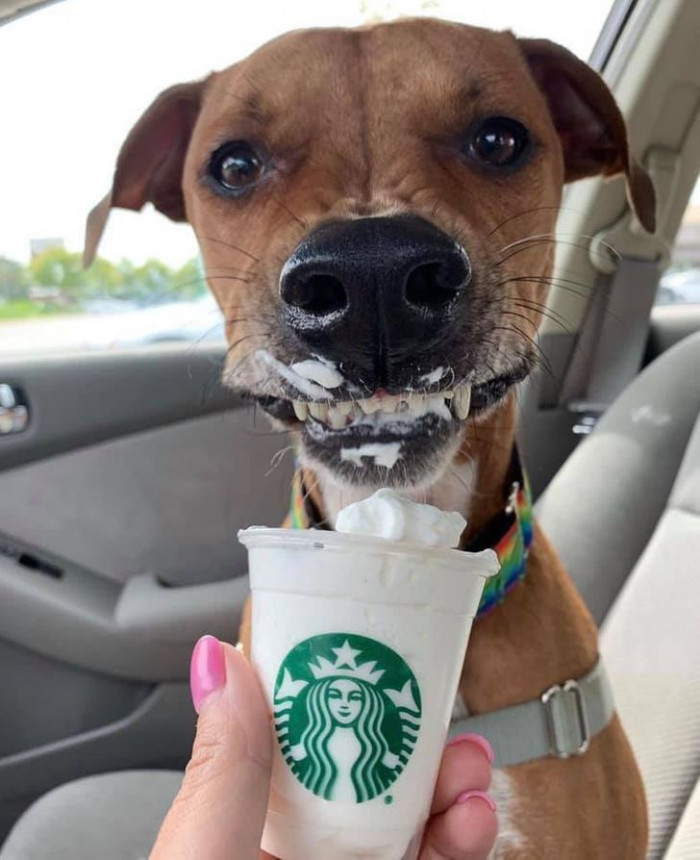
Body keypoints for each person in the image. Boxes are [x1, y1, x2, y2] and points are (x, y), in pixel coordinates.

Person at [151, 635, 499, 860]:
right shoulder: (314, 750)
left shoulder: (373, 752)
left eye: (354, 697)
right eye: (334, 694)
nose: (344, 704)